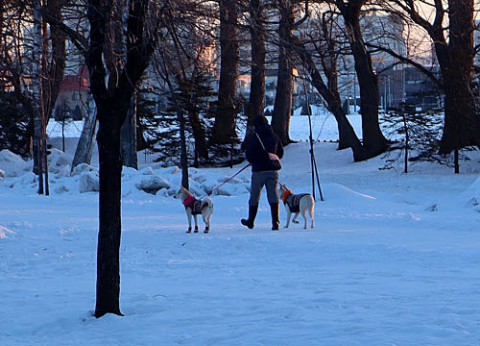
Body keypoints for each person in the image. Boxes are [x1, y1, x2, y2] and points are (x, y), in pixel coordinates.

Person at [241, 115, 284, 230]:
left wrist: (256, 161)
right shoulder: (275, 137)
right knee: (273, 196)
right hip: (272, 170)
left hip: (259, 171)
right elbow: (280, 153)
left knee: (255, 196)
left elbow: (249, 155)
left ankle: (251, 221)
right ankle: (276, 223)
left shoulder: (255, 137)